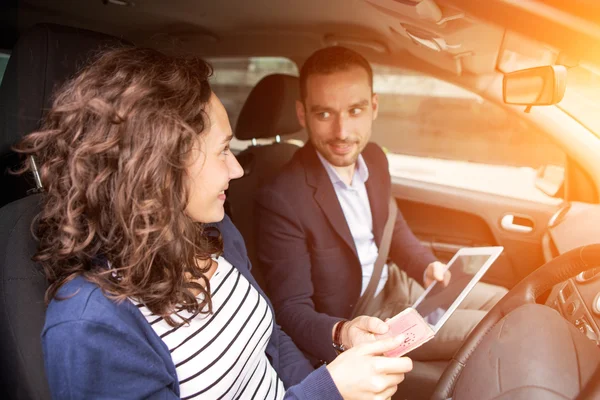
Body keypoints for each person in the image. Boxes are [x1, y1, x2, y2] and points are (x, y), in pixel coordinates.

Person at [16, 47, 414, 399]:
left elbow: (271, 340)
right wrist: (328, 390)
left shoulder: (212, 233)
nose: (237, 169)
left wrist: (327, 372)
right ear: (158, 168)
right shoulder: (93, 328)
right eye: (223, 150)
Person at [255, 46, 509, 364]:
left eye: (355, 111)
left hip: (398, 283)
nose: (342, 132)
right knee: (500, 328)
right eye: (323, 114)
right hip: (366, 320)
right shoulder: (282, 199)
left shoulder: (374, 157)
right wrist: (343, 333)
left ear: (374, 106)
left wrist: (425, 267)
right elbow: (290, 309)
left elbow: (393, 227)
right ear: (302, 113)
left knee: (508, 301)